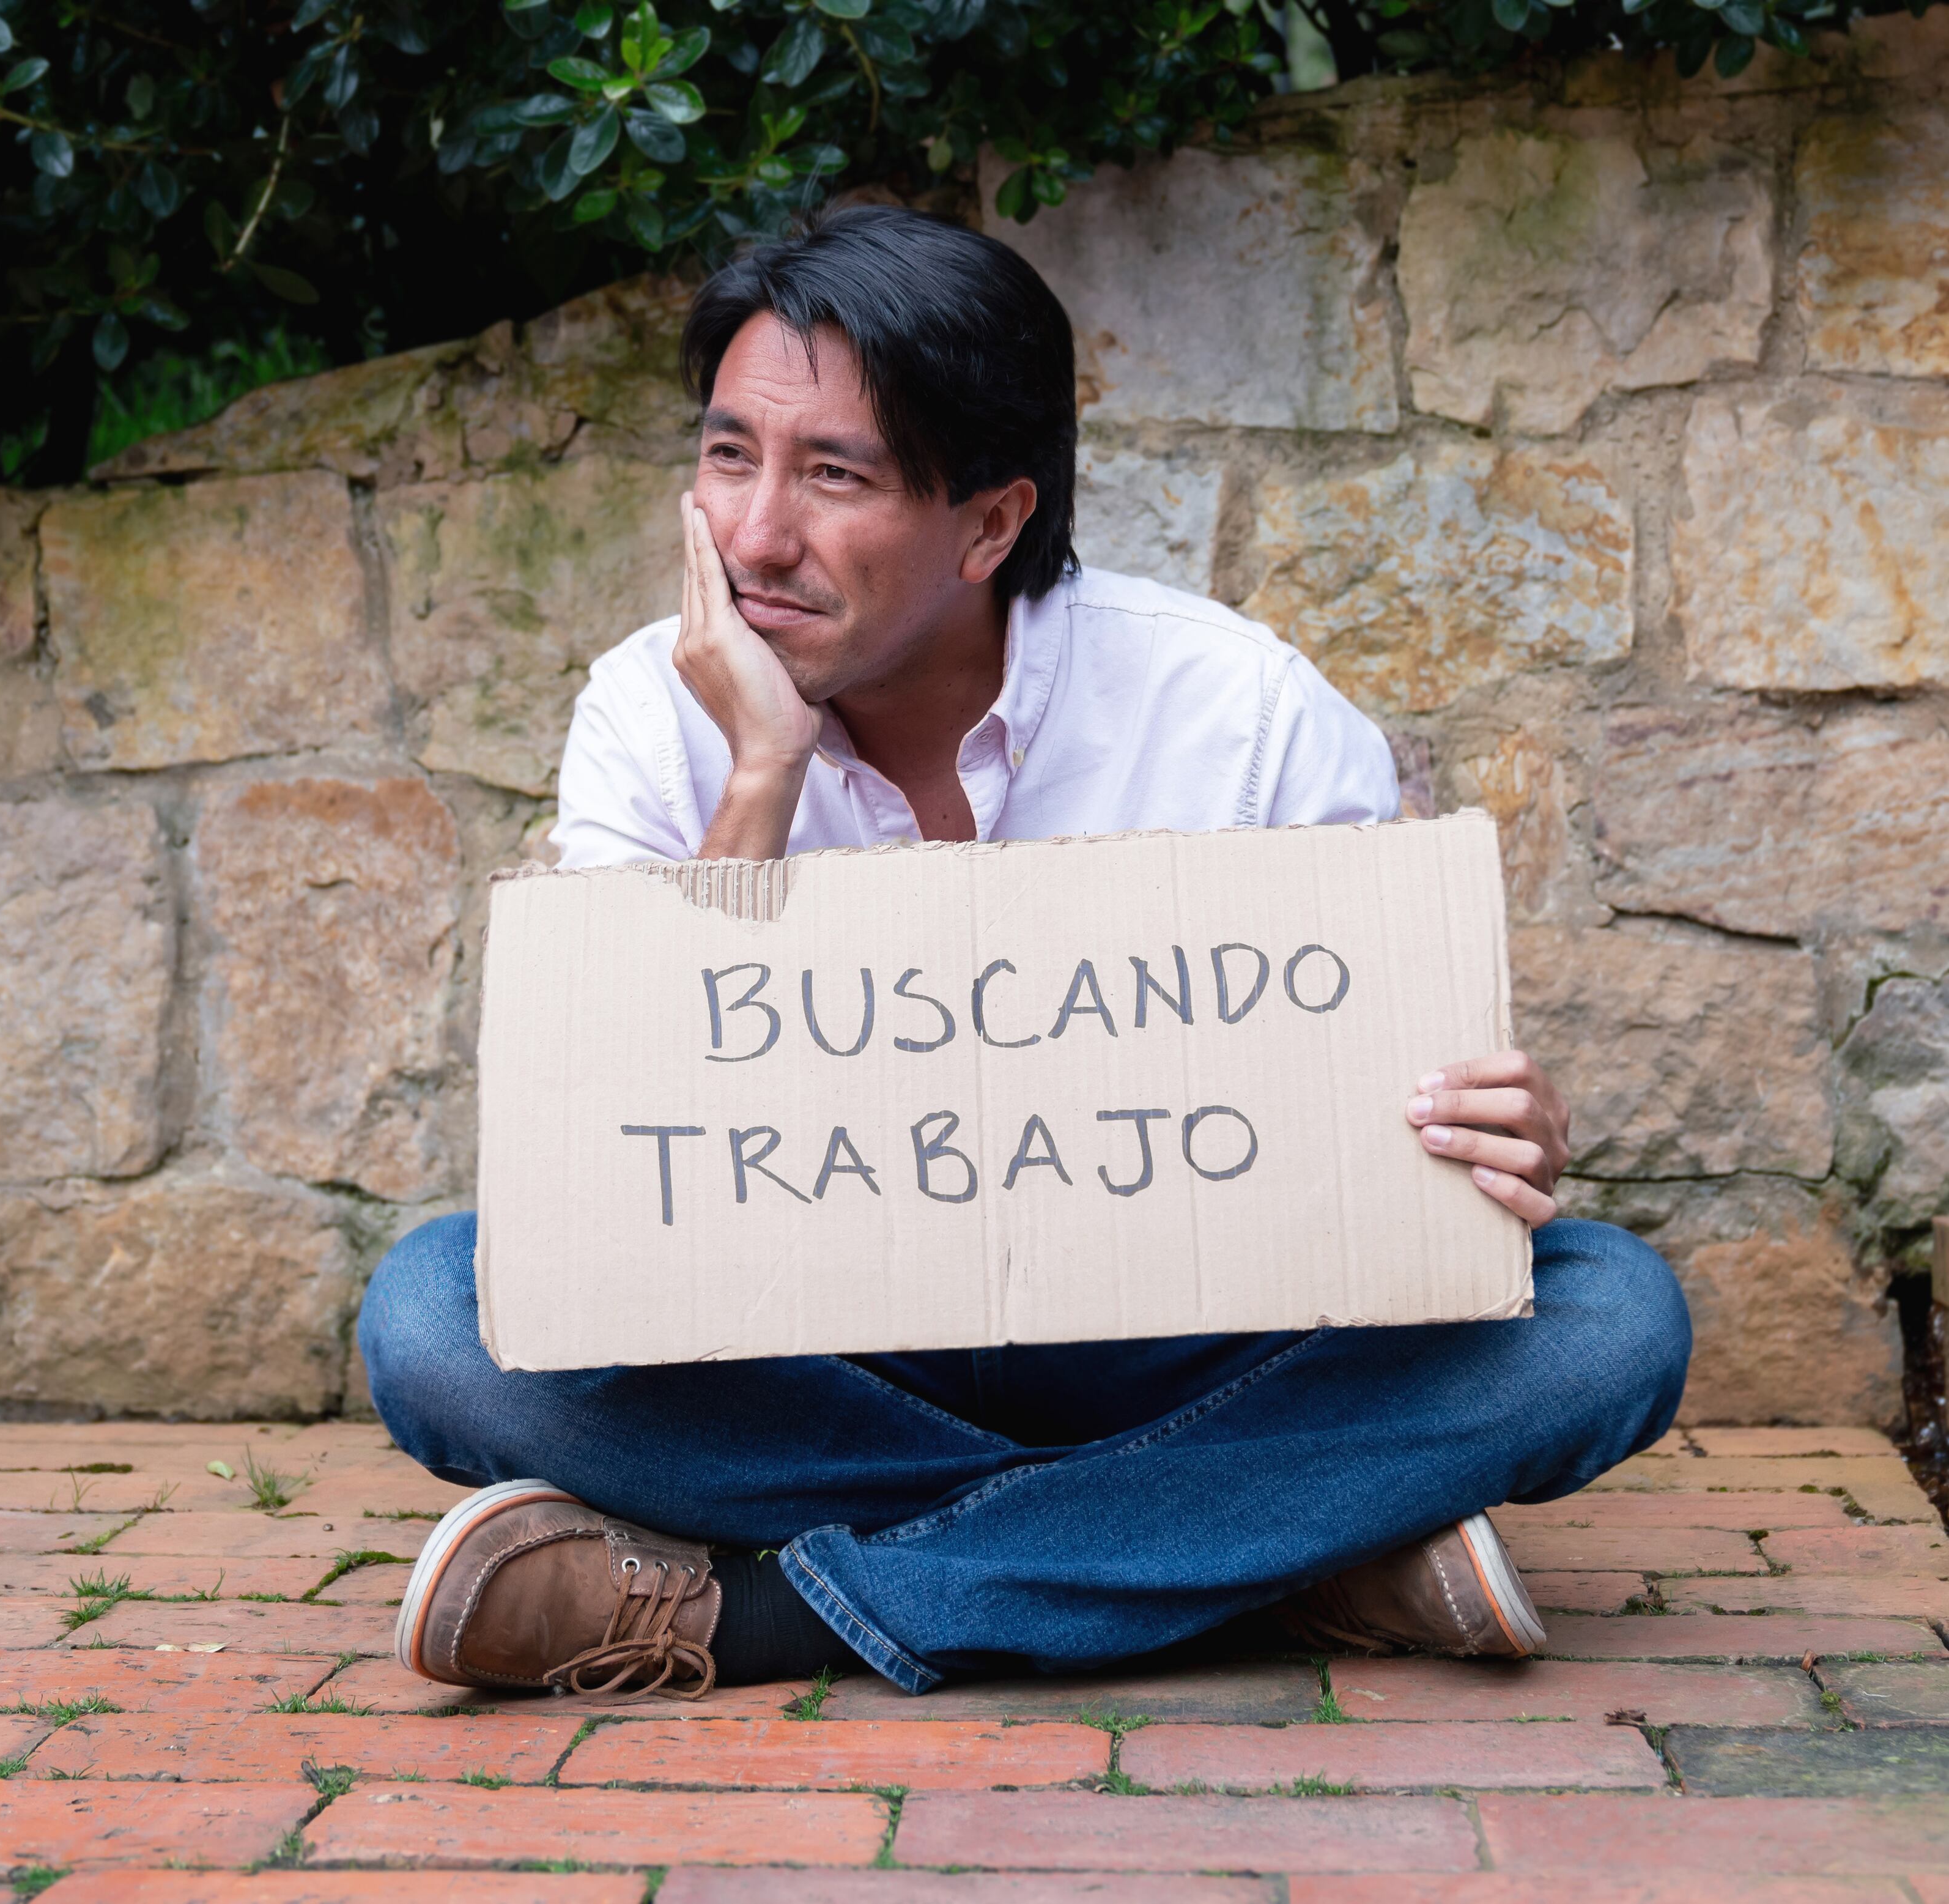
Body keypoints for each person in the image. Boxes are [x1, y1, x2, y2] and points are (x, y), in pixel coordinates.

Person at [357, 205, 1692, 1702]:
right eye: (729, 455)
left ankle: (775, 1620)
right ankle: (1272, 1538)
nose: (751, 535)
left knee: (1606, 1321)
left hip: (1176, 1335)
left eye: (832, 475)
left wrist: (1482, 1137)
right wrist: (760, 771)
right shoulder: (653, 710)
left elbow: (1379, 1127)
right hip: (820, 1349)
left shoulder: (1238, 714)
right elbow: (612, 1193)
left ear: (989, 522)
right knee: (431, 1316)